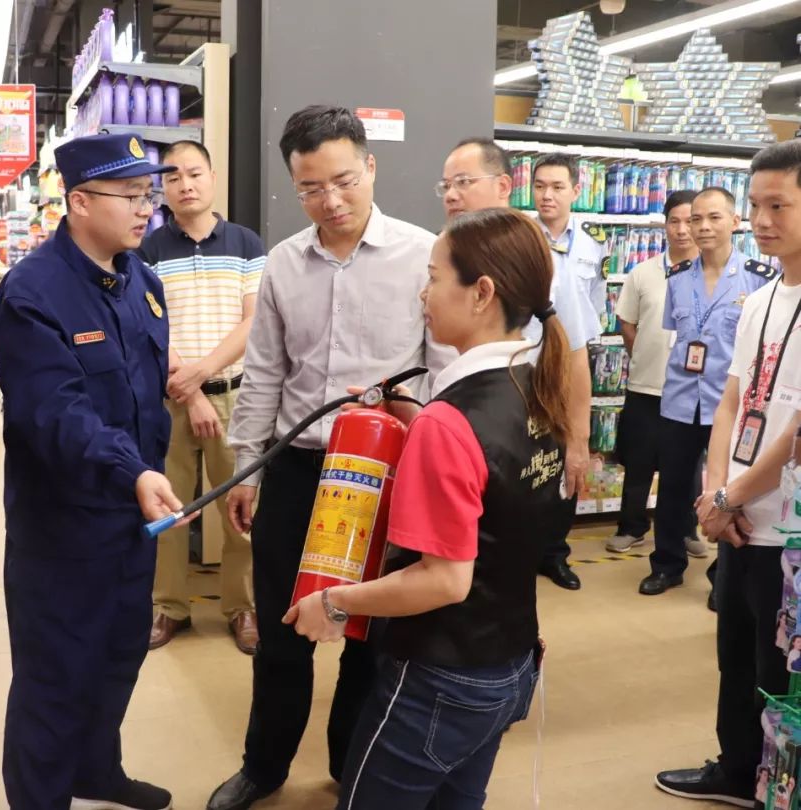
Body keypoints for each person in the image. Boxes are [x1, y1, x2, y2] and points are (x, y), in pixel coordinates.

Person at [206, 105, 451, 810]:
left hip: (386, 476)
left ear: (370, 166)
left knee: (371, 635)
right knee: (283, 631)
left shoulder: (423, 255)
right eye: (311, 188)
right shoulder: (284, 263)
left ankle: (352, 764)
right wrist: (248, 467)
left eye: (343, 181)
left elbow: (442, 370)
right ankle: (264, 766)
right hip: (299, 469)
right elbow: (265, 371)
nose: (331, 200)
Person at [284, 207, 567, 809]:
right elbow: (493, 495)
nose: (424, 293)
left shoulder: (452, 420)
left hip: (440, 679)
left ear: (481, 293)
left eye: (435, 278)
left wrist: (333, 602)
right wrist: (419, 423)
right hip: (510, 660)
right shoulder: (535, 388)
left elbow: (444, 579)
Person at [0, 132, 185, 810]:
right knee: (55, 676)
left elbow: (145, 395)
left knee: (117, 654)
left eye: (148, 195)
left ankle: (97, 769)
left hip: (133, 521)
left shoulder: (143, 282)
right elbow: (55, 413)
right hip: (63, 530)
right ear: (78, 201)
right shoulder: (32, 293)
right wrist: (131, 470)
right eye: (129, 195)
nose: (145, 209)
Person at [655, 140, 801, 807]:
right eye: (756, 205)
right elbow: (732, 402)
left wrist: (731, 494)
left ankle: (775, 784)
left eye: (780, 206)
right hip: (738, 515)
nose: (762, 220)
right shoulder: (760, 298)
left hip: (787, 529)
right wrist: (716, 495)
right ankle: (738, 770)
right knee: (735, 655)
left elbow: (796, 433)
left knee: (778, 672)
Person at [440, 137, 599, 591]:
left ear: (503, 186)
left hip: (518, 419)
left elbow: (574, 350)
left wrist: (578, 439)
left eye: (464, 182)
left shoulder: (535, 256)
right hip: (455, 420)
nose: (452, 195)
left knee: (503, 548)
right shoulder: (443, 251)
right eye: (446, 185)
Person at [138, 140, 263, 654]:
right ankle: (169, 607)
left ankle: (242, 607)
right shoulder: (148, 250)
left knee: (241, 511)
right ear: (163, 188)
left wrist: (205, 375)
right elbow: (149, 327)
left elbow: (254, 321)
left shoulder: (245, 243)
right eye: (173, 178)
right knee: (168, 510)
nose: (185, 185)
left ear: (212, 177)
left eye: (194, 174)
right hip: (170, 401)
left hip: (233, 398)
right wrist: (191, 394)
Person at [639, 186, 774, 598]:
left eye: (714, 217)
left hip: (729, 406)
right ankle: (667, 565)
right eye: (696, 218)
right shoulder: (678, 278)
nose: (702, 227)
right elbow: (677, 336)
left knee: (728, 492)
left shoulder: (758, 278)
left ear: (735, 221)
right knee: (673, 488)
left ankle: (722, 575)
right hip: (680, 400)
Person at [607, 190, 707, 558]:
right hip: (645, 387)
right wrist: (645, 357)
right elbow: (627, 323)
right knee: (639, 462)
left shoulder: (712, 274)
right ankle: (631, 527)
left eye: (689, 221)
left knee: (688, 467)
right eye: (674, 221)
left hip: (692, 391)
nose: (682, 230)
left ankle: (686, 531)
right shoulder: (643, 273)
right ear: (664, 225)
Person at [532, 152, 607, 320]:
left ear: (576, 191)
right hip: (532, 335)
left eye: (557, 187)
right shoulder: (519, 237)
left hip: (576, 336)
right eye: (539, 186)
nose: (546, 196)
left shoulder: (593, 240)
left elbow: (596, 301)